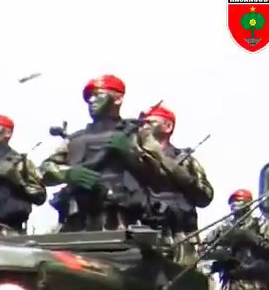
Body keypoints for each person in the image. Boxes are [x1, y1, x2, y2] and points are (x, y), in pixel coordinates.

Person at [39, 75, 184, 232]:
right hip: (77, 224)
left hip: (122, 224)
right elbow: (43, 171)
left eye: (98, 95)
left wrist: (130, 154)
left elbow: (162, 177)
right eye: (89, 97)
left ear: (118, 99)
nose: (92, 101)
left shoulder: (137, 135)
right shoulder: (76, 139)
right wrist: (68, 173)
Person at [139, 103, 214, 264]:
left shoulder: (185, 160)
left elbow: (205, 196)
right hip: (143, 233)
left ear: (168, 126)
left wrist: (170, 166)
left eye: (151, 122)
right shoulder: (136, 158)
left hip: (180, 238)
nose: (145, 127)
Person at [205, 189, 269, 290]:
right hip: (229, 288)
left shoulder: (260, 224)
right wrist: (221, 255)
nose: (236, 207)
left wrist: (253, 239)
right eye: (233, 204)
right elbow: (204, 248)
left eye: (240, 203)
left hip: (257, 288)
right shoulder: (224, 228)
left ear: (248, 205)